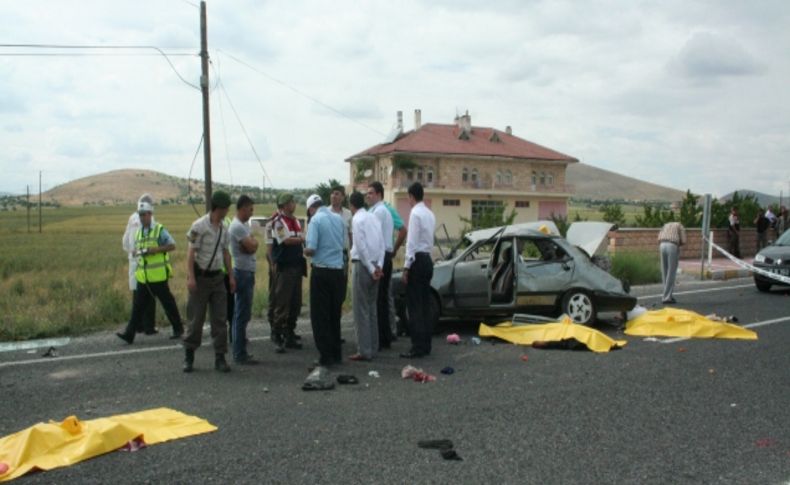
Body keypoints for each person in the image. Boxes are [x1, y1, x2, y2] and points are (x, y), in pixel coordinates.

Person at [182, 190, 236, 373]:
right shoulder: (198, 226)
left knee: (220, 319)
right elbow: (190, 253)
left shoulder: (224, 228)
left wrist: (230, 276)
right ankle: (189, 355)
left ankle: (220, 358)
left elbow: (226, 253)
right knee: (196, 319)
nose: (227, 211)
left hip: (218, 278)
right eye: (226, 208)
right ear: (218, 208)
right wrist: (191, 277)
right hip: (201, 278)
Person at [116, 200, 184, 344]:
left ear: (150, 214)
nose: (141, 217)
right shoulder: (139, 232)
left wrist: (155, 250)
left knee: (168, 303)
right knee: (137, 307)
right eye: (140, 215)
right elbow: (140, 248)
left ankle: (178, 328)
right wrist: (137, 252)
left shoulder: (159, 229)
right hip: (144, 277)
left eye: (144, 214)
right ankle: (129, 334)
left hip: (158, 276)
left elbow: (172, 245)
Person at [304, 194, 346, 367]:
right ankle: (337, 353)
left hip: (321, 271)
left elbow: (312, 249)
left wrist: (304, 249)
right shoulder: (338, 219)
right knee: (334, 314)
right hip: (338, 271)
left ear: (310, 209)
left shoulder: (315, 221)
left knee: (320, 316)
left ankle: (325, 356)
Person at [400, 182, 436, 359]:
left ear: (411, 196)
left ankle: (417, 346)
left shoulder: (415, 213)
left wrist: (406, 267)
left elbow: (411, 243)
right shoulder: (429, 213)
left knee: (414, 306)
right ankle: (426, 343)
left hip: (417, 260)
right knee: (424, 305)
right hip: (428, 258)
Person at [347, 191, 384, 361]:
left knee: (360, 309)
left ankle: (364, 350)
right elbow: (382, 243)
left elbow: (360, 246)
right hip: (376, 263)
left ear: (351, 205)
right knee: (371, 308)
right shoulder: (373, 217)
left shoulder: (357, 219)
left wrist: (370, 267)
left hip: (363, 265)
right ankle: (374, 346)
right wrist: (379, 266)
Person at [270, 193, 305, 353]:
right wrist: (302, 239)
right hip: (285, 268)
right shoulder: (278, 222)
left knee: (295, 303)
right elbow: (285, 240)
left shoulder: (296, 221)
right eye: (291, 202)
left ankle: (290, 333)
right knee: (282, 303)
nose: (294, 204)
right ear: (284, 205)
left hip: (297, 266)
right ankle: (277, 334)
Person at [229, 195, 259, 365]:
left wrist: (251, 244)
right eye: (250, 209)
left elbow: (253, 245)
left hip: (245, 271)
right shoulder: (238, 227)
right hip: (243, 272)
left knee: (241, 313)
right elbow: (252, 246)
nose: (252, 212)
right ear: (242, 208)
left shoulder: (243, 226)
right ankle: (239, 352)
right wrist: (251, 244)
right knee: (241, 314)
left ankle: (239, 349)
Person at [366, 181, 396, 349]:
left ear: (378, 194)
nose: (368, 196)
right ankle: (385, 336)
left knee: (379, 299)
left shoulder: (378, 212)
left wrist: (374, 263)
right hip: (385, 255)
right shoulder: (383, 210)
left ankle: (382, 337)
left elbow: (375, 239)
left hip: (381, 256)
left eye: (370, 193)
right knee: (382, 298)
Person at [122, 194, 156, 334]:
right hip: (145, 260)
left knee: (137, 293)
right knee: (149, 293)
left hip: (133, 259)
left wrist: (130, 252)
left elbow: (125, 240)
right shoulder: (150, 219)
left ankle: (137, 326)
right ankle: (149, 326)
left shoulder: (131, 218)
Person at [385, 201, 408, 337]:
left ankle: (391, 329)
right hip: (375, 257)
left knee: (386, 295)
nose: (368, 196)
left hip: (385, 255)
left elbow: (403, 230)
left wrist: (394, 250)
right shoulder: (371, 210)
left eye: (371, 193)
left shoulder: (388, 210)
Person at [329, 185, 353, 301]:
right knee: (330, 284)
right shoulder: (324, 213)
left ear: (343, 197)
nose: (334, 196)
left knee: (341, 283)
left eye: (337, 193)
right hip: (328, 253)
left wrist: (353, 256)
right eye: (332, 193)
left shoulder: (348, 214)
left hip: (343, 254)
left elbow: (351, 235)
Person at [657, 221, 686, 305]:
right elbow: (684, 241)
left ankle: (666, 294)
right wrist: (678, 244)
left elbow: (658, 238)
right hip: (672, 245)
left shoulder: (665, 225)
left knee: (664, 270)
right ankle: (667, 297)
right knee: (671, 272)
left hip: (662, 245)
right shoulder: (680, 225)